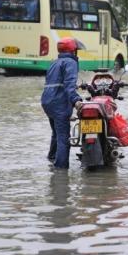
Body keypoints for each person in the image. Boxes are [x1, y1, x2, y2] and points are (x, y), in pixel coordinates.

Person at [41, 37, 85, 169]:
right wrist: (76, 101)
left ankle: (51, 158)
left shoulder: (55, 62)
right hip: (58, 103)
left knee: (56, 132)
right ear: (73, 51)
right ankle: (60, 170)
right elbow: (69, 85)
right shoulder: (70, 62)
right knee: (63, 137)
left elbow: (57, 83)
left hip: (47, 102)